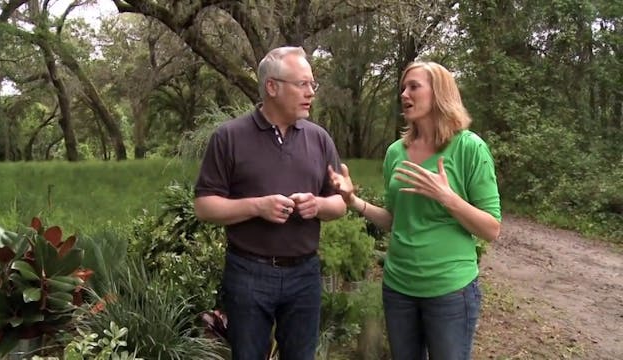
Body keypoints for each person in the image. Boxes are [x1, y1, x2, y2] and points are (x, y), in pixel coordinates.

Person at [328, 61, 501, 360]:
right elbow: (396, 220)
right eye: (402, 89)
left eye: (414, 87)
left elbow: (491, 228)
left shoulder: (469, 148)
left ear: (440, 93)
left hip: (450, 291)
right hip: (398, 288)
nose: (404, 94)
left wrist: (447, 197)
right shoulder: (396, 152)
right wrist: (354, 201)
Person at [194, 46, 346, 360]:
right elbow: (204, 207)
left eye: (312, 85)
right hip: (248, 272)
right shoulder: (229, 138)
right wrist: (257, 207)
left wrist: (317, 205)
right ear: (272, 87)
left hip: (304, 274)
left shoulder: (320, 139)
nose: (311, 93)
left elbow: (340, 205)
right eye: (302, 84)